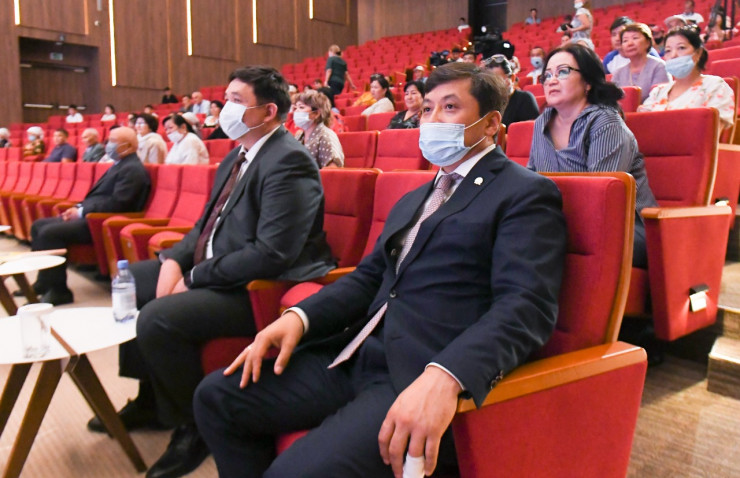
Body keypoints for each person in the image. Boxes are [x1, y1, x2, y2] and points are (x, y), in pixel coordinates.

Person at [193, 61, 567, 478]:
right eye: (427, 109)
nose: (432, 120)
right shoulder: (415, 197)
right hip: (358, 352)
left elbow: (525, 306)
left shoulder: (524, 193)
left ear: (491, 122)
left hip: (418, 371)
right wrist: (299, 318)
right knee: (216, 397)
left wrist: (448, 375)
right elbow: (371, 277)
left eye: (449, 107)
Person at [88, 65, 336, 478]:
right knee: (134, 284)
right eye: (226, 99)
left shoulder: (290, 161)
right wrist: (174, 261)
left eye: (237, 101)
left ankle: (192, 427)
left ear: (268, 111)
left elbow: (272, 253)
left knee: (158, 317)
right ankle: (150, 399)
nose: (226, 108)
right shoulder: (236, 157)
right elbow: (204, 226)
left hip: (261, 288)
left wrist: (193, 278)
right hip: (222, 268)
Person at [528, 43, 657, 268]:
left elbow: (601, 197)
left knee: (528, 239)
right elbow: (531, 179)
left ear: (587, 81)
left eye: (563, 72)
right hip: (561, 218)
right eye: (547, 75)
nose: (551, 80)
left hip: (623, 226)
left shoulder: (605, 122)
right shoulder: (542, 123)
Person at [30, 127, 150, 305]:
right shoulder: (120, 165)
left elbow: (118, 204)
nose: (108, 145)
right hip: (92, 215)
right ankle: (44, 282)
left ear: (128, 146)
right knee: (38, 226)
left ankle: (59, 291)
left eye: (112, 141)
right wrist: (77, 208)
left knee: (50, 233)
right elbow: (98, 197)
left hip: (102, 221)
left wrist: (81, 212)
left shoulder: (132, 169)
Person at [639, 26, 735, 130]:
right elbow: (643, 127)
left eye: (681, 48)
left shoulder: (715, 86)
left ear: (698, 53)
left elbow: (712, 132)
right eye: (668, 50)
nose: (673, 55)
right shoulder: (658, 91)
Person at [612, 23, 670, 102]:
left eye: (635, 38)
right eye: (625, 41)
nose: (630, 43)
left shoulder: (659, 66)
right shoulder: (618, 73)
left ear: (648, 42)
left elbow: (659, 98)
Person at [484, 55, 539, 127]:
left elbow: (532, 130)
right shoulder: (487, 104)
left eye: (498, 80)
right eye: (491, 82)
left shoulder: (524, 99)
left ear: (512, 78)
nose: (494, 86)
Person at [293, 90, 344, 168]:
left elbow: (333, 171)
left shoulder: (327, 136)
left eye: (301, 107)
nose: (296, 111)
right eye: (295, 107)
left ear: (316, 113)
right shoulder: (299, 136)